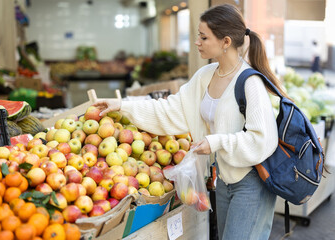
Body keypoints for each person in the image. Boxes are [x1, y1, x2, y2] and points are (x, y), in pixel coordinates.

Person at [93, 4, 289, 240]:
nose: (197, 41)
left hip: (252, 183)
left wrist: (215, 142)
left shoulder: (250, 83)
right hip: (225, 180)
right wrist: (123, 106)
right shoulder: (205, 76)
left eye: (204, 37)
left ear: (226, 42)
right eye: (198, 35)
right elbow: (170, 110)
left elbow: (262, 140)